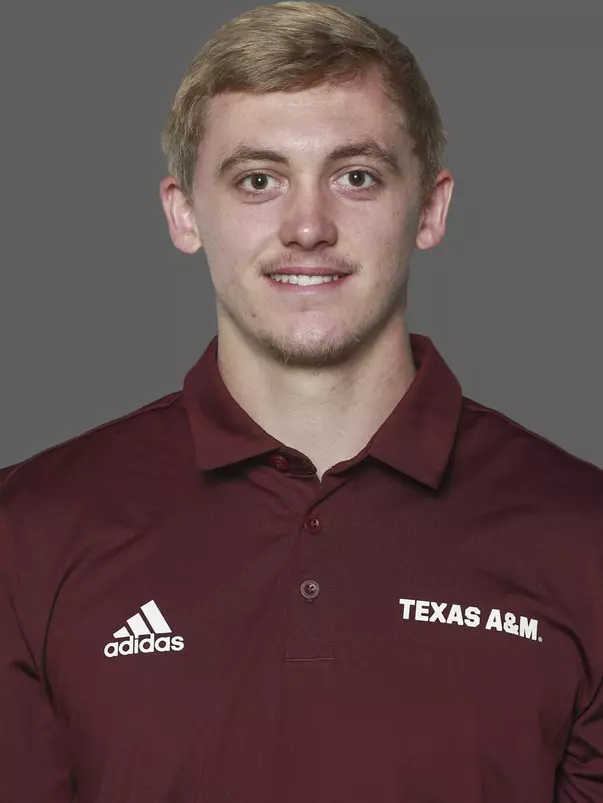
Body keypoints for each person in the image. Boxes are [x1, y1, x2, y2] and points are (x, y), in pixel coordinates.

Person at [1, 2, 602, 801]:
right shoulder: (28, 528)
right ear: (183, 213)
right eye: (258, 180)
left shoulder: (583, 535)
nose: (308, 227)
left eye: (356, 177)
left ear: (429, 208)